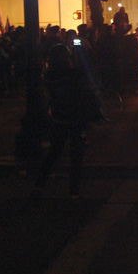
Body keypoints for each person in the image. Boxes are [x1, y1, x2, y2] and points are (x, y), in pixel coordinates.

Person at [32, 43, 95, 201]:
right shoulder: (73, 73)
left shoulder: (50, 74)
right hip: (74, 119)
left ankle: (38, 186)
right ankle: (74, 192)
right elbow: (86, 80)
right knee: (76, 157)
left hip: (59, 118)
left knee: (54, 153)